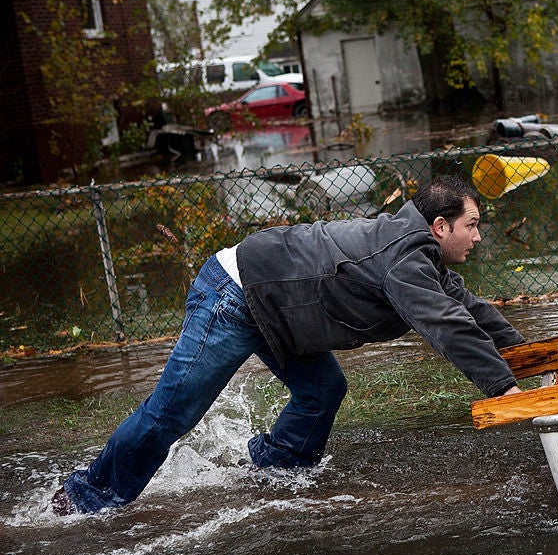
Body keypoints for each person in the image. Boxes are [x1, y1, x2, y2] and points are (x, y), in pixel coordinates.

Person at [52, 175, 524, 515]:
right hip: (236, 295)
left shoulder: (422, 260)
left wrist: (538, 359)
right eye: (473, 225)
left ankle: (276, 470)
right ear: (440, 226)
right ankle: (86, 498)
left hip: (277, 307)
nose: (478, 236)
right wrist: (503, 389)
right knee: (171, 413)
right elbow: (448, 325)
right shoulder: (404, 259)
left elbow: (473, 311)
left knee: (321, 390)